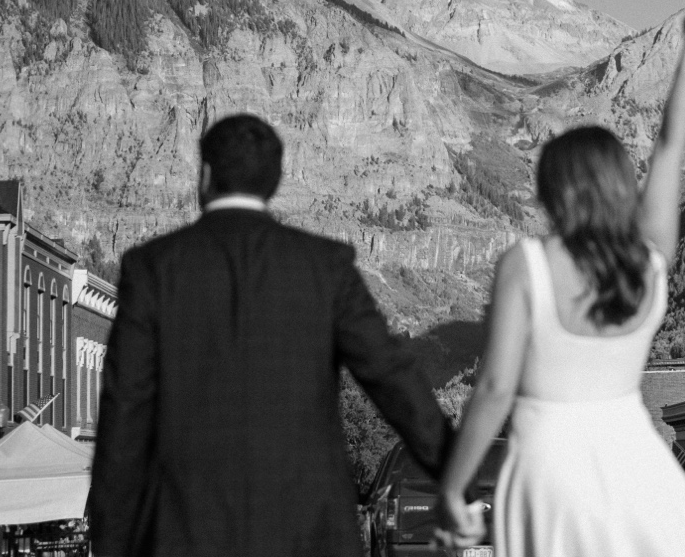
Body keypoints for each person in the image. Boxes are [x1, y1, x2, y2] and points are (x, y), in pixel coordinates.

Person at [88, 114, 451, 557]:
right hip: (308, 528)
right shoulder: (324, 266)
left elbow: (124, 412)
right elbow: (391, 376)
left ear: (204, 176)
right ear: (275, 181)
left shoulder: (152, 267)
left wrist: (110, 539)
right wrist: (454, 473)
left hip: (185, 527)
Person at [438, 4, 685, 556]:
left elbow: (495, 388)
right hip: (635, 463)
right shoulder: (651, 260)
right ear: (621, 185)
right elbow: (671, 147)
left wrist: (454, 486)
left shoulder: (528, 265)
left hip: (547, 467)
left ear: (551, 194)